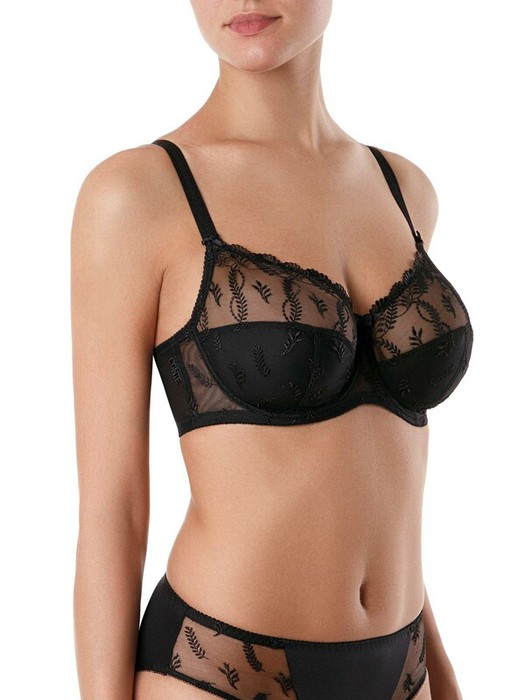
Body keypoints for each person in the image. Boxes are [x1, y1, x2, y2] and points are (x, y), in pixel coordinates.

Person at [71, 2, 473, 699]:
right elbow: (114, 511)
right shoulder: (137, 195)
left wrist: (442, 671)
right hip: (218, 664)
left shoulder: (404, 190)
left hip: (404, 667)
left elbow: (383, 469)